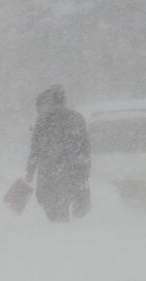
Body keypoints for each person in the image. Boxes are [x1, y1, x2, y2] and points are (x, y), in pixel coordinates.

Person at [25, 85, 91, 222]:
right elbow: (85, 147)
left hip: (52, 171)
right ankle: (61, 227)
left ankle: (58, 229)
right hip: (68, 171)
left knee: (51, 201)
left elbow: (35, 148)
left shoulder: (44, 120)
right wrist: (84, 169)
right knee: (62, 202)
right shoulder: (75, 118)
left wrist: (30, 170)